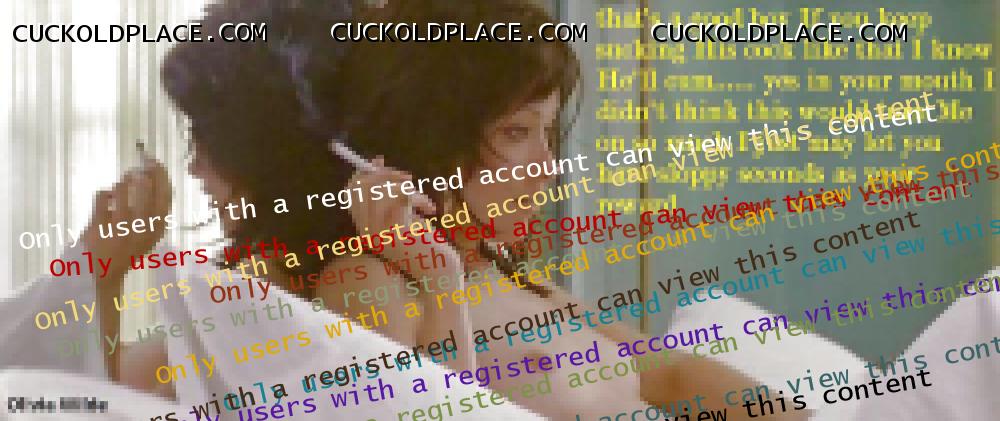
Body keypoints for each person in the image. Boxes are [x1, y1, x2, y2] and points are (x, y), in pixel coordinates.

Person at [304, 1, 809, 419]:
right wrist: (440, 280)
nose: (547, 166)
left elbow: (672, 376)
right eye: (516, 132)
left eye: (546, 131)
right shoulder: (367, 286)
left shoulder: (516, 280)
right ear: (429, 141)